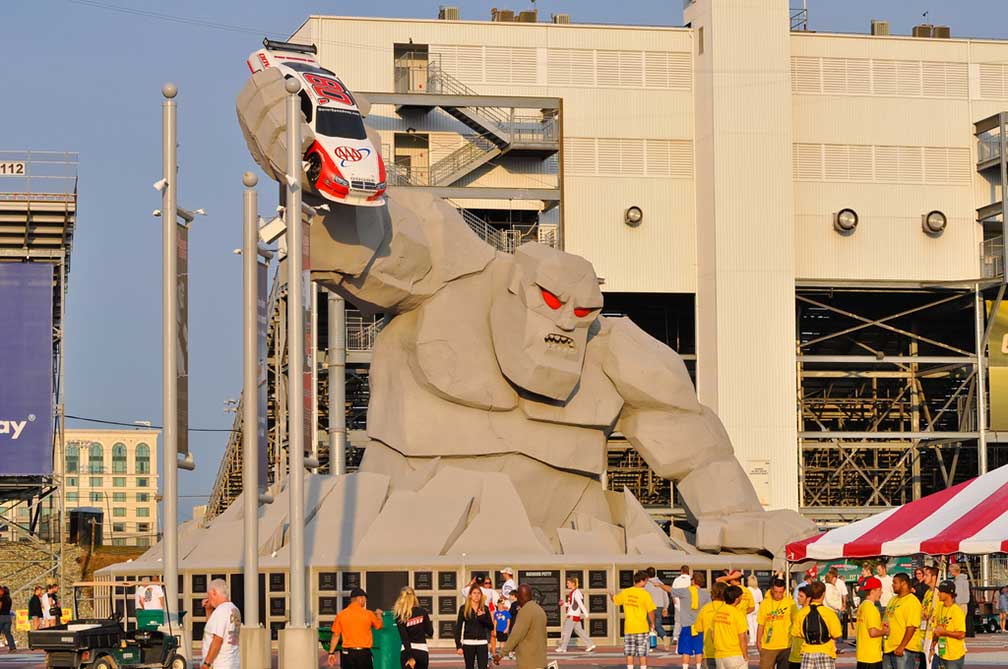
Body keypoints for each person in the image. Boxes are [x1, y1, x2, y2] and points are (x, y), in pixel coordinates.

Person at [610, 570, 657, 669]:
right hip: (642, 628)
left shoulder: (626, 592)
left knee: (629, 653)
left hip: (629, 628)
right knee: (642, 653)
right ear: (642, 581)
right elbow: (651, 611)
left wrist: (611, 595)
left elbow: (615, 600)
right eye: (646, 581)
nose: (646, 583)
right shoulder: (645, 594)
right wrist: (653, 623)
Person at [791, 581, 842, 669]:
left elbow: (795, 633)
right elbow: (837, 634)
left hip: (807, 651)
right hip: (825, 650)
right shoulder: (829, 613)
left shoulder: (802, 613)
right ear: (823, 594)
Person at [329, 587, 383, 669]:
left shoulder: (341, 615)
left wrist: (331, 653)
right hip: (364, 654)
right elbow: (379, 626)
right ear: (360, 598)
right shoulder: (368, 614)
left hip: (347, 654)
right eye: (365, 598)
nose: (365, 601)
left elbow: (336, 635)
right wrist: (379, 615)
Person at [495, 584, 547, 669]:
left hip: (528, 661)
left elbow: (516, 635)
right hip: (541, 660)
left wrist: (501, 654)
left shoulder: (525, 611)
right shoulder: (540, 610)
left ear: (519, 596)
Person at [671, 571, 711, 669]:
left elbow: (671, 590)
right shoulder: (705, 595)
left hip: (687, 625)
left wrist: (660, 585)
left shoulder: (685, 591)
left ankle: (685, 667)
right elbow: (708, 609)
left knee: (686, 650)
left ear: (693, 581)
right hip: (700, 626)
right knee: (698, 650)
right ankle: (698, 667)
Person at [882, 573, 922, 669]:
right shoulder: (893, 600)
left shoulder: (912, 601)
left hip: (904, 649)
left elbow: (911, 626)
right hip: (889, 648)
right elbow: (886, 620)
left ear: (904, 583)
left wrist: (902, 646)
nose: (892, 585)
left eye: (895, 583)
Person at [756, 577, 796, 669]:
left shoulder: (790, 603)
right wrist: (758, 641)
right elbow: (761, 624)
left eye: (781, 592)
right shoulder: (765, 603)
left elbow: (795, 623)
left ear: (784, 591)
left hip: (786, 645)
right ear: (772, 590)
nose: (778, 595)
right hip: (768, 646)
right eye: (776, 592)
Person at [201, 579, 241, 669]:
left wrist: (207, 664)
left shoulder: (221, 611)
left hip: (219, 663)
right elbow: (212, 628)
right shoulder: (234, 609)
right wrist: (208, 610)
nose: (208, 599)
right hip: (232, 662)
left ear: (214, 592)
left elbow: (217, 640)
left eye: (209, 595)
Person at [455, 583, 495, 669]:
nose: (476, 595)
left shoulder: (485, 608)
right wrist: (458, 645)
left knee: (483, 667)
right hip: (468, 642)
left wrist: (482, 618)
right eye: (474, 593)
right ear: (470, 595)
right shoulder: (463, 608)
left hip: (482, 643)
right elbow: (458, 627)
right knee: (469, 667)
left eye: (478, 593)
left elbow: (491, 626)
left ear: (481, 595)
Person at [708, 585, 748, 669]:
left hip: (719, 655)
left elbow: (712, 634)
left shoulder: (718, 612)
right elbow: (742, 637)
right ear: (737, 599)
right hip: (734, 654)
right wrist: (745, 655)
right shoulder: (737, 613)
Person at [394, 586, 433, 669]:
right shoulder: (423, 612)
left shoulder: (400, 616)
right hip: (422, 651)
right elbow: (430, 632)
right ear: (414, 597)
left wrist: (410, 657)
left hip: (407, 652)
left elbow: (405, 638)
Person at [930, 581, 966, 669]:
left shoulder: (956, 611)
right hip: (942, 652)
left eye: (941, 591)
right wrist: (932, 647)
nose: (939, 594)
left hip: (954, 655)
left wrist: (944, 632)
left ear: (949, 593)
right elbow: (937, 630)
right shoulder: (940, 608)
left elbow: (961, 634)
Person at [855, 577, 887, 669]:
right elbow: (872, 632)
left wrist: (880, 626)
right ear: (873, 591)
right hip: (872, 656)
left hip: (862, 654)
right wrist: (884, 631)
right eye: (880, 590)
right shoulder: (871, 608)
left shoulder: (862, 606)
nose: (881, 593)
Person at [557, 575, 595, 653]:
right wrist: (564, 604)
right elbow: (571, 604)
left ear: (573, 583)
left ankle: (563, 647)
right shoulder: (574, 592)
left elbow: (580, 604)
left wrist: (586, 614)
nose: (567, 584)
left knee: (566, 632)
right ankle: (590, 644)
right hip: (575, 616)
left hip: (572, 616)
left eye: (568, 583)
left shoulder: (576, 592)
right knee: (580, 631)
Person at [695, 581, 726, 669]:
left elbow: (698, 630)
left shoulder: (705, 609)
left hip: (709, 652)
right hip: (727, 652)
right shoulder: (731, 609)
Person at [645, 568, 671, 650]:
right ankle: (664, 637)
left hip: (650, 607)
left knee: (651, 625)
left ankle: (651, 646)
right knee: (658, 625)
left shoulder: (646, 585)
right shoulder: (661, 583)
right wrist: (665, 608)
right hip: (659, 606)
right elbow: (665, 596)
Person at [788, 587, 810, 669]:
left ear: (808, 598)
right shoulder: (798, 611)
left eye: (801, 596)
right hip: (795, 655)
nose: (798, 598)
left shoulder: (809, 613)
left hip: (805, 654)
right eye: (798, 595)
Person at [948, 565, 971, 637]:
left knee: (957, 624)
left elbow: (957, 593)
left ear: (954, 571)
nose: (950, 572)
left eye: (950, 571)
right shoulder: (964, 580)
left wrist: (954, 603)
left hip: (959, 604)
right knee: (961, 623)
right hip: (964, 603)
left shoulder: (958, 581)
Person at [672, 566, 693, 643]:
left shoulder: (676, 580)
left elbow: (673, 593)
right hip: (688, 603)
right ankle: (688, 636)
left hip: (678, 603)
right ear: (689, 571)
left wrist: (675, 603)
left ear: (681, 571)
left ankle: (675, 637)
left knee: (678, 621)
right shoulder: (691, 580)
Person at [823, 572, 845, 643]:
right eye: (834, 578)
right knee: (833, 631)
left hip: (834, 610)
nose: (836, 579)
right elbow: (829, 600)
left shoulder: (832, 586)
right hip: (831, 611)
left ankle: (834, 646)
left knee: (834, 630)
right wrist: (839, 607)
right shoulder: (828, 587)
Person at [747, 575, 765, 646]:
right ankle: (756, 638)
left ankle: (752, 639)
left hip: (750, 606)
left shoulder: (748, 589)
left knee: (750, 624)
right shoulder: (758, 590)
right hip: (757, 606)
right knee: (756, 623)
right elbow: (761, 600)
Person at [0, 585, 15, 653]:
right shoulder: (9, 598)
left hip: (1, 616)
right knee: (8, 633)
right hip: (8, 617)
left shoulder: (1, 598)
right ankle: (12, 647)